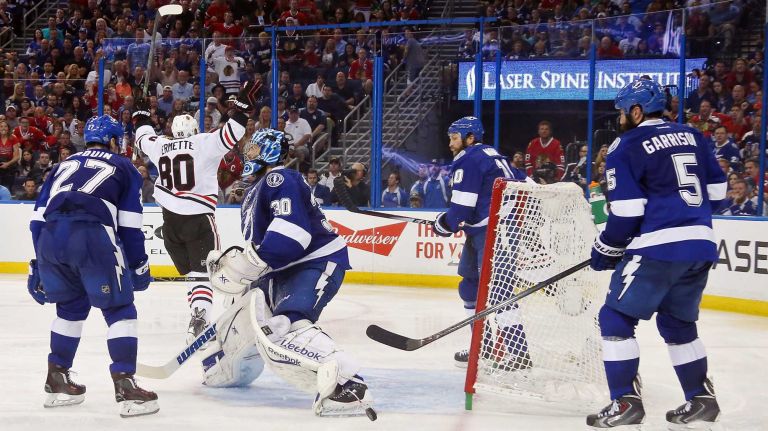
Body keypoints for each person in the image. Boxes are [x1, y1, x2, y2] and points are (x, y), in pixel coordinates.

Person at [204, 129, 375, 417]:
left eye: (255, 150)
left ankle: (349, 385)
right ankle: (228, 362)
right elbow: (268, 248)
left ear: (269, 152)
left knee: (289, 324)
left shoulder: (278, 178)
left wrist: (249, 264)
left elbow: (291, 235)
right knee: (262, 325)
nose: (249, 155)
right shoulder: (256, 190)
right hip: (283, 271)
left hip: (314, 262)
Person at [586, 80, 725, 429]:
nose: (619, 119)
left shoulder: (626, 145)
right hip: (700, 245)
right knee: (678, 324)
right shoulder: (694, 136)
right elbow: (719, 194)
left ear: (636, 111)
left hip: (657, 247)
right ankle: (701, 399)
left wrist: (607, 246)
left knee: (615, 318)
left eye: (622, 112)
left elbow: (629, 210)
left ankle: (625, 403)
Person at [27, 115, 157, 417]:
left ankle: (57, 378)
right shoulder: (124, 167)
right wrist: (138, 266)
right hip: (90, 234)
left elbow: (36, 220)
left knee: (70, 309)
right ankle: (125, 385)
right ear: (114, 140)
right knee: (120, 308)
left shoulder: (62, 165)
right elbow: (130, 227)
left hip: (50, 238)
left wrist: (37, 266)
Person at [132, 82, 258, 344]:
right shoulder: (204, 142)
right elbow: (234, 131)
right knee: (205, 273)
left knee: (193, 273)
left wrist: (141, 115)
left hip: (170, 223)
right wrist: (243, 106)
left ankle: (197, 314)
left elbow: (142, 137)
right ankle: (202, 316)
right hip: (198, 218)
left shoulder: (160, 145)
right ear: (193, 130)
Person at [431, 116, 530, 367]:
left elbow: (461, 210)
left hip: (496, 232)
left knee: (499, 290)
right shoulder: (495, 156)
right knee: (469, 283)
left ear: (470, 138)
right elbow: (527, 183)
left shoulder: (470, 159)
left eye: (455, 138)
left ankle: (518, 354)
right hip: (483, 231)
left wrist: (443, 224)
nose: (451, 143)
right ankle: (482, 345)